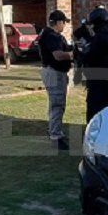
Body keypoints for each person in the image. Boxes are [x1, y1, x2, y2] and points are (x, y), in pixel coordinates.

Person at [37, 10, 74, 151]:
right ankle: (55, 137)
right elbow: (58, 55)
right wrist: (74, 54)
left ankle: (55, 131)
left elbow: (63, 49)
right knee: (57, 105)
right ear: (58, 22)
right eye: (63, 22)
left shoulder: (50, 34)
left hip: (53, 72)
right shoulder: (52, 36)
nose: (64, 25)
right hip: (54, 72)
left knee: (56, 104)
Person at [78, 6, 108, 123]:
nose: (92, 27)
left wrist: (81, 54)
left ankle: (95, 131)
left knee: (94, 109)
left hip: (99, 79)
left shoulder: (101, 36)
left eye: (93, 24)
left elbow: (91, 56)